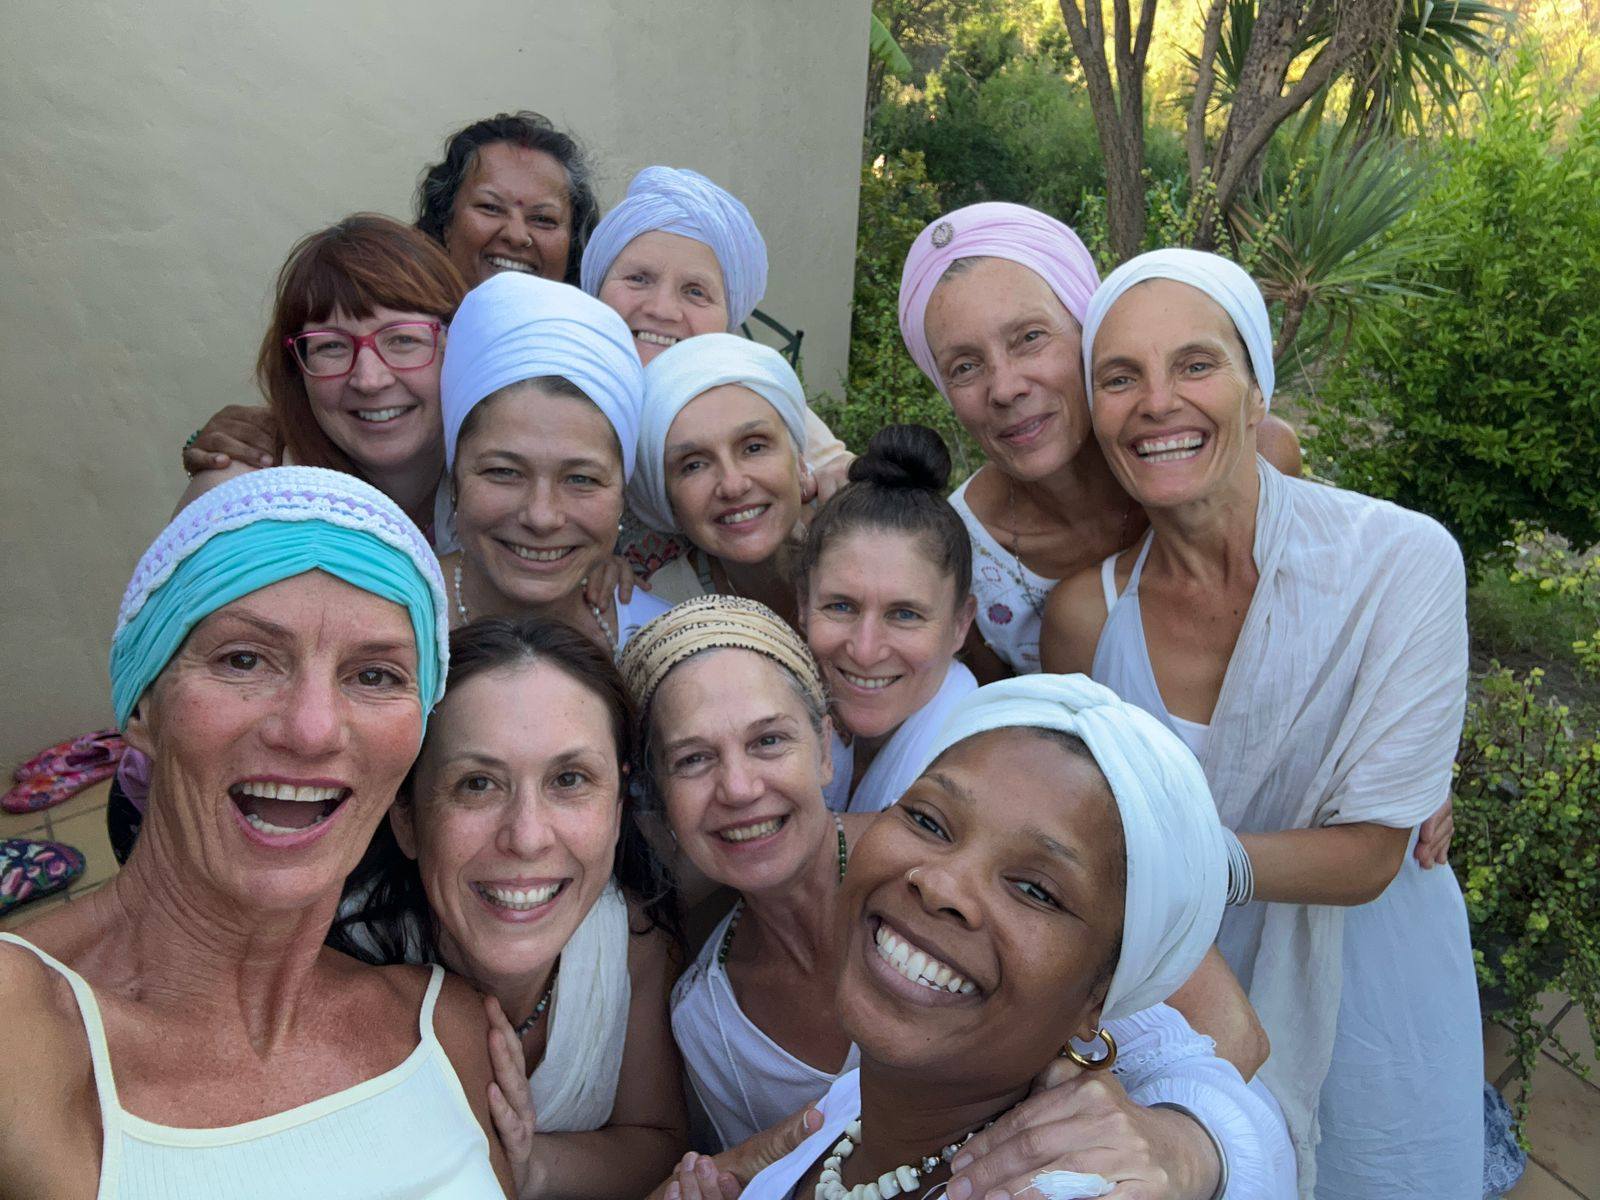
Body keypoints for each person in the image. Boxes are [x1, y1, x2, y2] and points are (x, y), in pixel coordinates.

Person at [1040, 249, 1481, 1198]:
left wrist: (1165, 867)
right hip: (1183, 1000)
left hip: (1372, 982)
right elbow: (1074, 812)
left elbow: (1369, 856)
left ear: (1256, 390)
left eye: (1195, 364)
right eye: (1120, 377)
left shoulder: (1398, 562)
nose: (1158, 401)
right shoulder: (1086, 616)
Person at [620, 598, 1290, 1200]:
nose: (739, 787)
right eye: (692, 759)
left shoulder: (1059, 1105)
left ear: (825, 748)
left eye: (1035, 889)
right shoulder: (754, 1033)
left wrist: (1187, 1146)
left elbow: (1220, 1047)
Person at [0, 467, 510, 1197]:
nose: (311, 729)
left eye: (375, 676)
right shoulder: (21, 1022)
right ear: (142, 707)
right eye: (244, 660)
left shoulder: (446, 1027)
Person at [334, 618, 687, 1199]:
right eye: (477, 784)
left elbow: (657, 1141)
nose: (526, 837)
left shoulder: (633, 943)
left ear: (619, 808)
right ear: (407, 816)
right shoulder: (339, 960)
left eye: (569, 779)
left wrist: (526, 1167)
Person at [897, 202, 1303, 680]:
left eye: (1030, 338)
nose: (1005, 388)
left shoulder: (1246, 459)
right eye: (964, 367)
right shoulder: (961, 559)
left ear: (1089, 333)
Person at [178, 214, 466, 538]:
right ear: (296, 369)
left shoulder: (507, 485)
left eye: (403, 339)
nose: (369, 380)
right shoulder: (236, 505)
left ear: (459, 345)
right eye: (331, 346)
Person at [439, 271, 671, 654]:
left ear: (622, 493)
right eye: (504, 472)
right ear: (455, 479)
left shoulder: (666, 644)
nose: (542, 517)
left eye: (581, 479)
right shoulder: (385, 623)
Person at [793, 424, 977, 814]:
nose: (865, 650)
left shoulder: (978, 775)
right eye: (841, 606)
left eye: (905, 614)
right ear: (803, 605)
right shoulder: (792, 720)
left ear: (961, 623)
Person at [629, 333, 814, 615]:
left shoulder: (874, 548)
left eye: (754, 447)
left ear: (800, 463)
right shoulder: (655, 611)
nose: (733, 485)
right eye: (694, 465)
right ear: (668, 502)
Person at [417, 110, 600, 289]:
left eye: (543, 219)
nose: (516, 236)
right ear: (446, 223)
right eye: (491, 208)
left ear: (573, 244)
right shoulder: (401, 308)